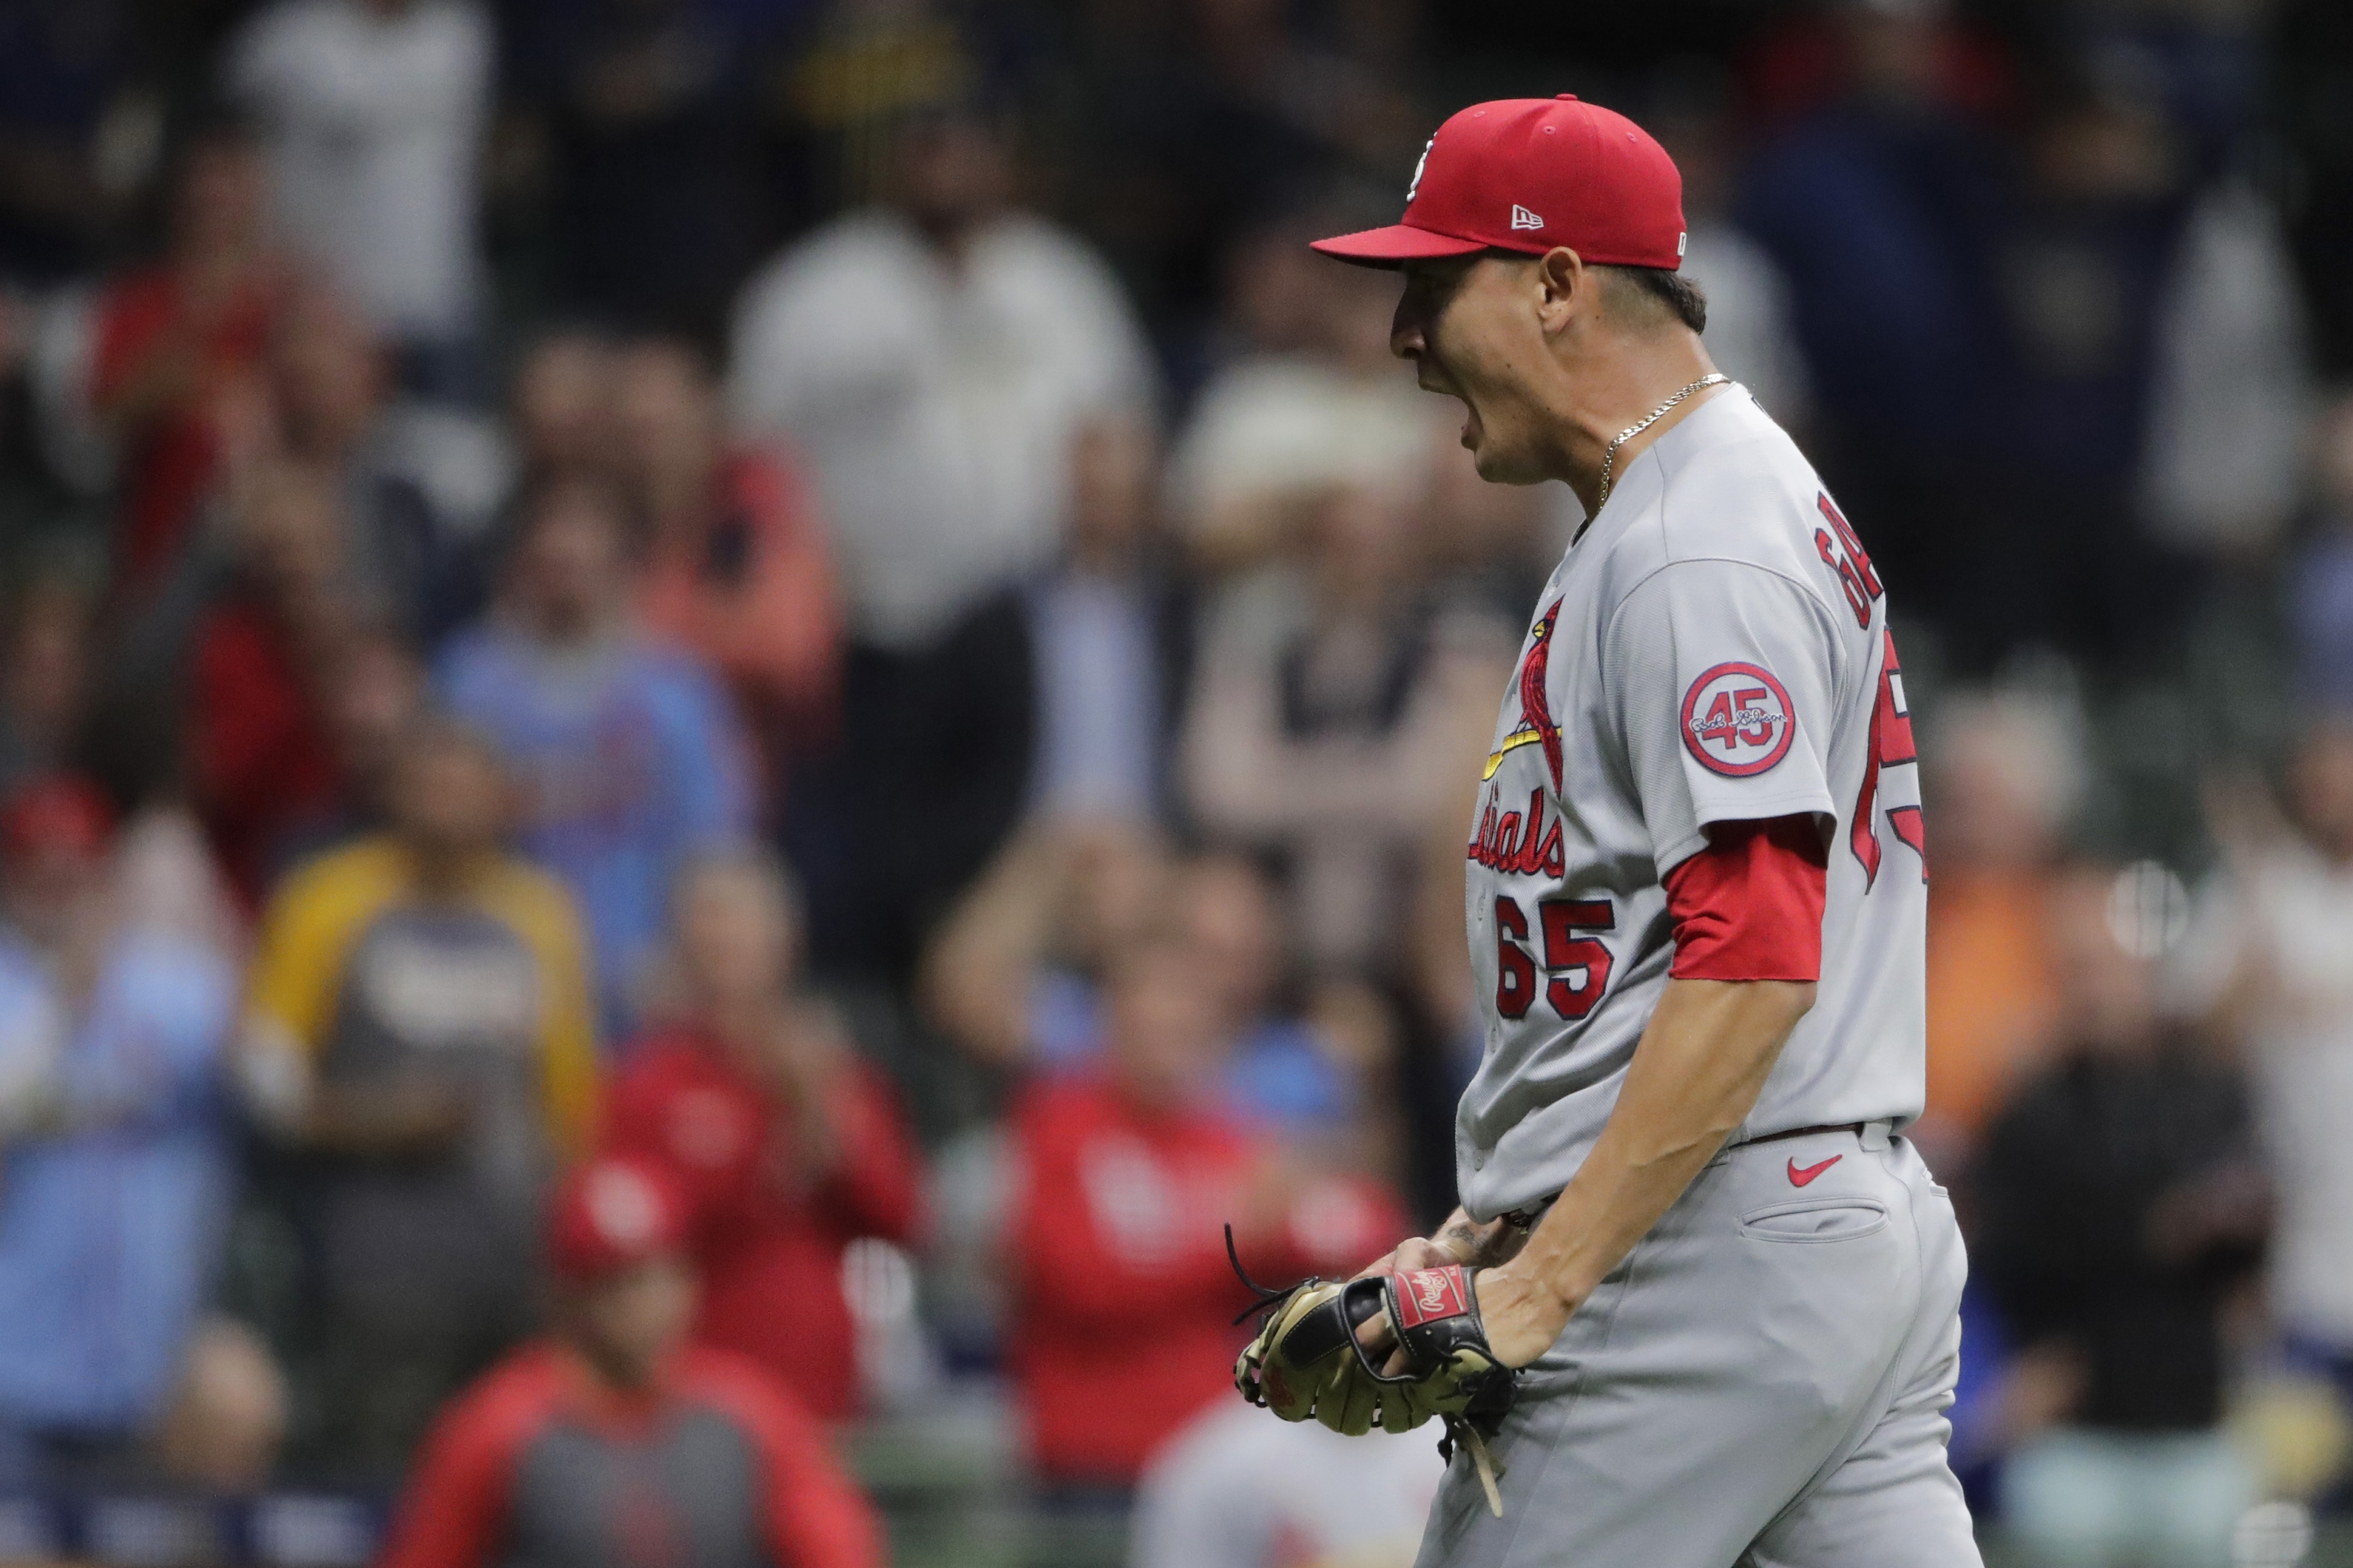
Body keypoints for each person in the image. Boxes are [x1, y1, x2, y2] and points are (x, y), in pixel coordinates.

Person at [1297, 96, 1971, 1565]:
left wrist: (1542, 1282)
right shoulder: (1674, 509)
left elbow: (1753, 954)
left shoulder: (1695, 543)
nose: (1404, 338)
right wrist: (1494, 1223)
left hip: (1705, 1255)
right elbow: (1647, 949)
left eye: (1432, 284)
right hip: (1795, 1216)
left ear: (1555, 285)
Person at [731, 104, 1155, 982]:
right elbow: (751, 471)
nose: (949, 168)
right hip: (880, 636)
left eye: (969, 146)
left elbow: (1124, 429)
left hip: (1033, 624)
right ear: (891, 162)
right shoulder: (813, 294)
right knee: (895, 870)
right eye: (928, 147)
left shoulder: (1061, 283)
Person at [237, 719, 600, 1474]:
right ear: (393, 794)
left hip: (509, 1269)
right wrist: (370, 1122)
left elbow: (571, 1099)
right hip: (373, 1268)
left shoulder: (542, 912)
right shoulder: (328, 898)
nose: (446, 807)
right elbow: (262, 1072)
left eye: (465, 790)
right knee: (380, 1484)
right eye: (430, 786)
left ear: (501, 802)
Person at [1007, 933, 1398, 1497]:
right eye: (1157, 1005)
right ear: (1115, 1015)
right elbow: (1077, 1278)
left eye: (1189, 1011)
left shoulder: (1224, 1136)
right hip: (1094, 1462)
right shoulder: (1059, 1124)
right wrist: (1233, 1240)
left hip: (1210, 1457)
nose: (1174, 1025)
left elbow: (1363, 1226)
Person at [379, 1153, 884, 1568]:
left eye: (653, 1278)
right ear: (563, 1296)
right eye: (610, 1283)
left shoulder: (747, 1410)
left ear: (688, 1284)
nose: (636, 1307)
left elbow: (839, 1550)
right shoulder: (499, 1425)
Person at [1975, 869, 2267, 1568]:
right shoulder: (2032, 1107)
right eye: (2073, 969)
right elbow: (2019, 1244)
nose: (2091, 988)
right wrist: (2157, 1228)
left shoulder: (2207, 1088)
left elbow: (2240, 1232)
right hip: (2074, 1431)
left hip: (2192, 1420)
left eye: (2103, 966)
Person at [601, 851, 924, 1421]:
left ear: (786, 938)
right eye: (705, 922)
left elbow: (898, 1216)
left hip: (819, 1392)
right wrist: (770, 1151)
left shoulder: (834, 1071)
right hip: (690, 1394)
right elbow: (640, 1233)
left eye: (736, 922)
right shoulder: (651, 1080)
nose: (719, 940)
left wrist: (819, 1112)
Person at [439, 474, 754, 1031]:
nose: (567, 581)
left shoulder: (675, 692)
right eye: (551, 565)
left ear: (623, 568)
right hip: (494, 983)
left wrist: (686, 961)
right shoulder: (471, 682)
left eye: (585, 563)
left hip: (644, 985)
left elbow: (713, 847)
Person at [0, 776, 242, 1484]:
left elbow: (262, 1082)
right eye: (37, 866)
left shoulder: (178, 985)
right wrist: (68, 1002)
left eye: (75, 865)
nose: (58, 884)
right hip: (16, 1354)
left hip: (152, 1356)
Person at [225, 0, 493, 395]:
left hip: (426, 306)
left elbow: (345, 101)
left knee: (445, 449)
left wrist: (308, 70)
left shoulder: (453, 31)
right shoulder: (292, 26)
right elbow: (235, 80)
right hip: (319, 308)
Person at [612, 335, 840, 768]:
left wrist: (656, 636)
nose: (648, 459)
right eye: (632, 436)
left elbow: (792, 653)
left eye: (659, 431)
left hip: (755, 778)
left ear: (709, 412)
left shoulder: (765, 508)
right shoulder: (596, 524)